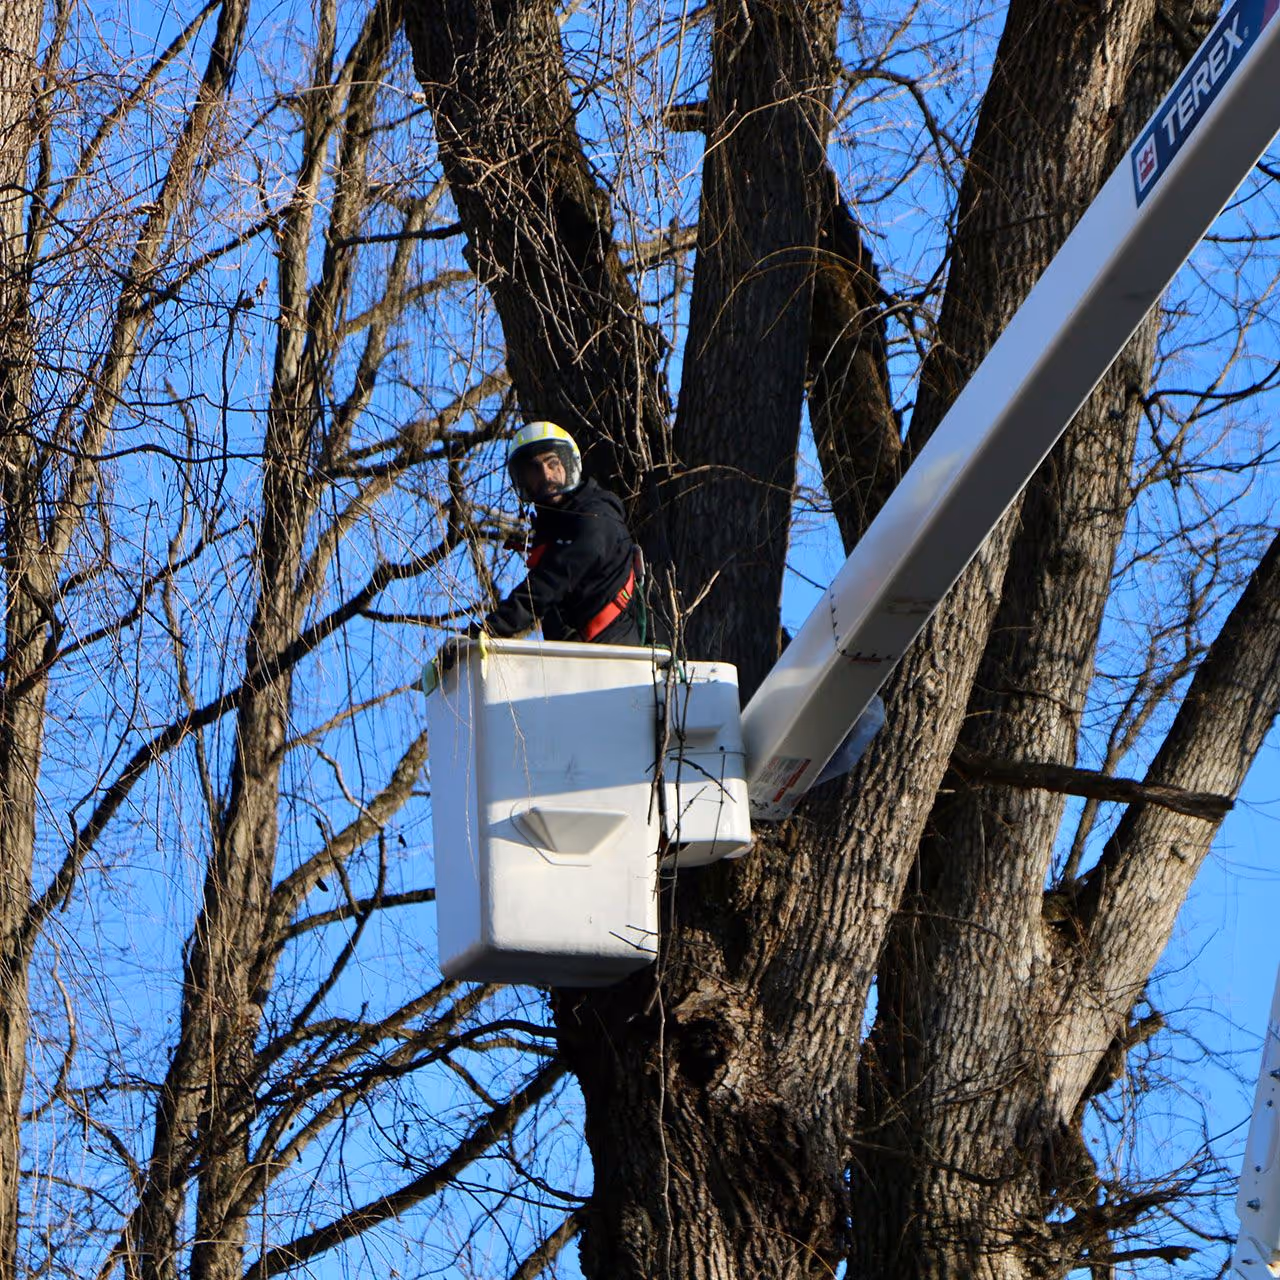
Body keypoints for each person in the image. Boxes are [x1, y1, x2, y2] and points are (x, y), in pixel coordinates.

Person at [476, 421, 642, 645]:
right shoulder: (556, 529)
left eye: (552, 463)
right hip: (583, 659)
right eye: (534, 468)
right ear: (523, 480)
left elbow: (544, 586)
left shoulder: (596, 517)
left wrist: (483, 633)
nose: (546, 475)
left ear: (567, 465)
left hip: (615, 655)